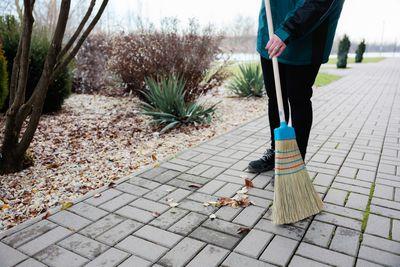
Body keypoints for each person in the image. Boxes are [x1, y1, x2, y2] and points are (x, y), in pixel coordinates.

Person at [248, 0, 345, 174]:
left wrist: (287, 30)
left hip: (307, 37)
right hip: (271, 29)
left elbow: (319, 3)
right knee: (275, 97)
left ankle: (295, 163)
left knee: (298, 98)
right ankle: (277, 151)